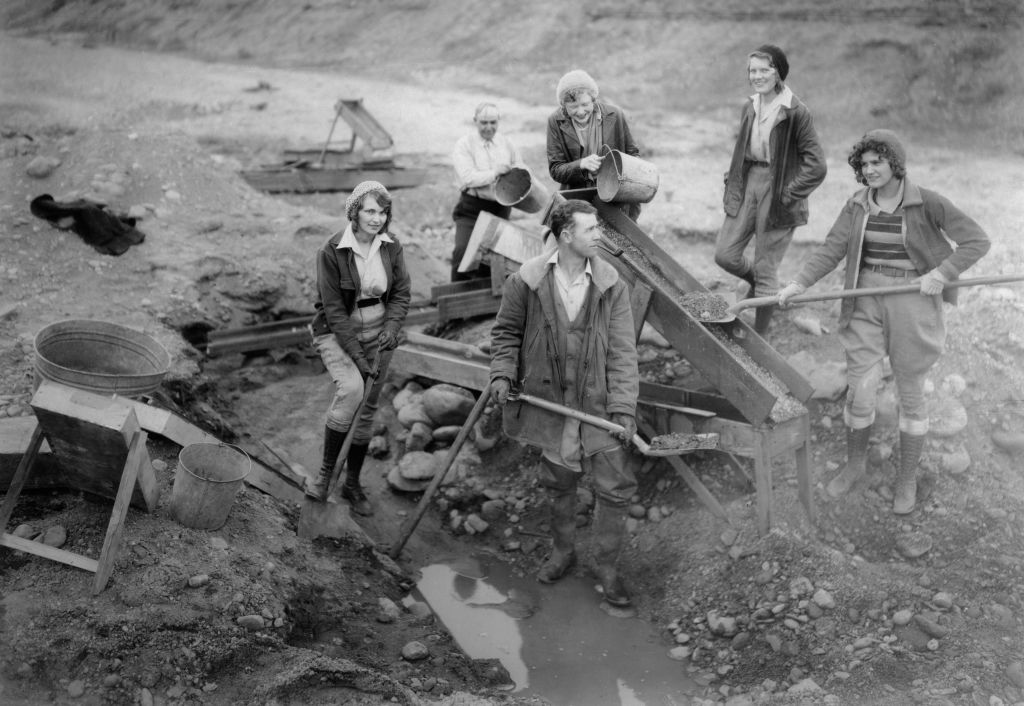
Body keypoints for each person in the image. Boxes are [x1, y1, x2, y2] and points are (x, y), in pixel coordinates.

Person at [777, 129, 990, 514]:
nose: (870, 169)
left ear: (895, 163)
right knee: (861, 390)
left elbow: (977, 241)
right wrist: (798, 282)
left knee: (910, 392)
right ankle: (855, 464)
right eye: (865, 163)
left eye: (878, 162)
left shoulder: (927, 202)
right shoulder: (857, 205)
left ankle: (906, 478)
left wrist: (941, 273)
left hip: (913, 299)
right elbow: (831, 249)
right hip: (864, 299)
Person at [489, 199, 640, 607]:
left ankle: (606, 565)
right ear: (566, 235)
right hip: (551, 403)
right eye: (590, 230)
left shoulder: (612, 285)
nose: (598, 235)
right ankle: (563, 551)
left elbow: (624, 352)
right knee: (559, 482)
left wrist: (623, 408)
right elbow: (505, 335)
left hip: (599, 406)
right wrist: (502, 374)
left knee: (614, 487)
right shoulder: (527, 281)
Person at [308, 180, 411, 515]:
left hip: (379, 333)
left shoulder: (391, 247)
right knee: (352, 389)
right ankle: (325, 475)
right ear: (354, 212)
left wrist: (393, 328)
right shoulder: (332, 250)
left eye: (382, 212)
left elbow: (400, 295)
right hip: (339, 333)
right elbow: (335, 311)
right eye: (369, 210)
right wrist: (356, 355)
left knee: (367, 410)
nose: (376, 218)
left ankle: (351, 483)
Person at [714, 44, 827, 334]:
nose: (758, 75)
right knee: (725, 254)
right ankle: (760, 288)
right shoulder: (749, 106)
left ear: (779, 73)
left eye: (765, 69)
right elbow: (742, 147)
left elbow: (817, 166)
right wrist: (734, 177)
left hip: (779, 192)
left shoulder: (796, 112)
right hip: (749, 180)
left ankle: (759, 339)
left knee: (767, 272)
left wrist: (788, 194)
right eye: (753, 70)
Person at [546, 69, 642, 220]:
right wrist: (581, 164)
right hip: (578, 200)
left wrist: (617, 174)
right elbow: (556, 169)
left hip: (616, 199)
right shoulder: (555, 121)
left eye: (585, 104)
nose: (580, 111)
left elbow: (633, 155)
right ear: (563, 106)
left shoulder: (614, 115)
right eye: (573, 107)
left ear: (593, 99)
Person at [450, 102, 523, 282]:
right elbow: (468, 178)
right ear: (475, 121)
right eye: (484, 123)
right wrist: (495, 173)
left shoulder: (507, 143)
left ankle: (487, 305)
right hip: (472, 209)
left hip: (500, 209)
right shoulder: (464, 145)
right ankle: (455, 300)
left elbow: (520, 169)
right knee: (463, 251)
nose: (488, 127)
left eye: (493, 122)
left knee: (494, 258)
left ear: (498, 121)